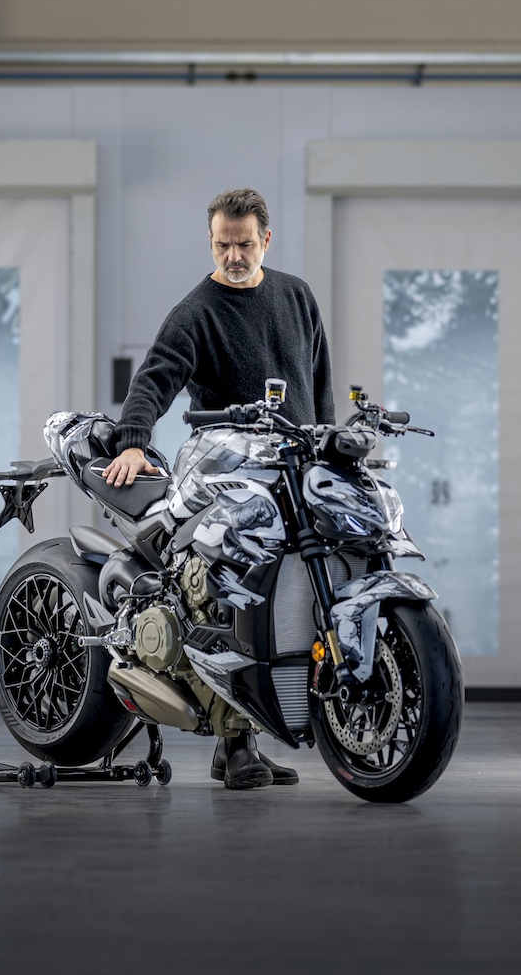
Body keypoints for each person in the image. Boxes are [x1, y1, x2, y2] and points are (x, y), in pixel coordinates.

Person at [105, 187, 332, 790]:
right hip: (229, 476)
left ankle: (260, 726)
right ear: (212, 242)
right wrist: (132, 438)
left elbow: (320, 383)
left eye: (245, 243)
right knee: (236, 593)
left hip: (295, 469)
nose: (233, 255)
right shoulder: (197, 312)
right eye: (222, 245)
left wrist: (327, 445)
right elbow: (155, 378)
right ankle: (233, 745)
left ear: (267, 239)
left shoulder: (296, 297)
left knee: (298, 593)